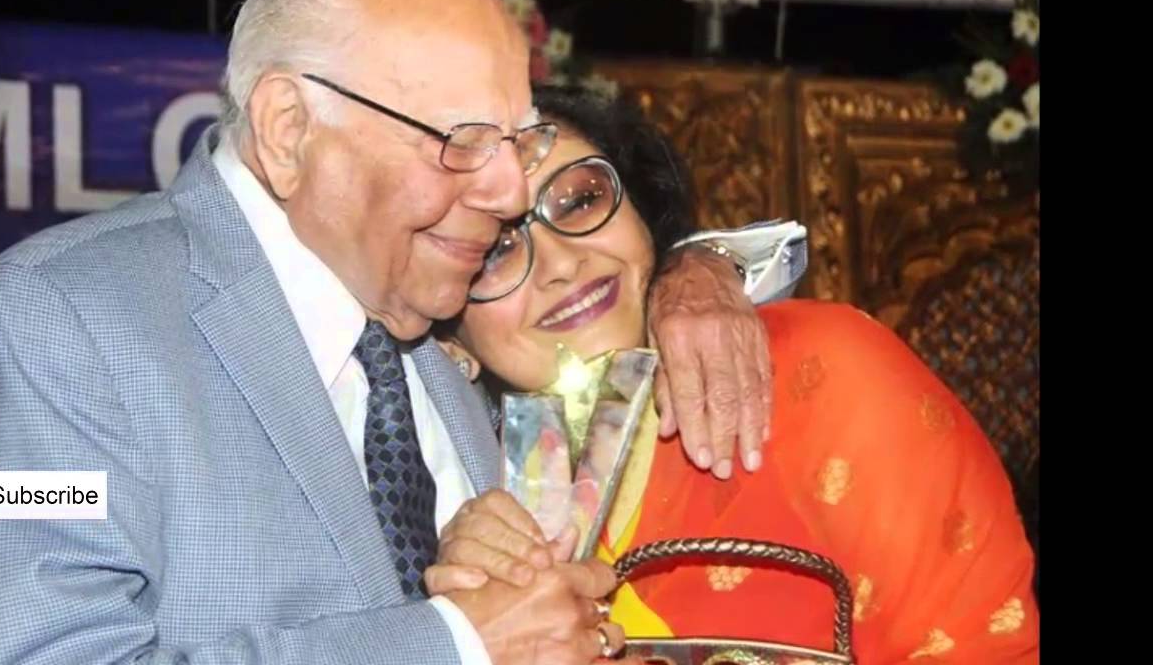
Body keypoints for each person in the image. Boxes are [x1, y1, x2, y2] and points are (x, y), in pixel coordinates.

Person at [0, 0, 790, 664]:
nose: (509, 193)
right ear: (289, 128)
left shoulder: (436, 310)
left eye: (516, 143)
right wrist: (461, 644)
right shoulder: (50, 319)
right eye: (462, 141)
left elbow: (611, 312)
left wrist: (696, 265)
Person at [429, 86, 1040, 663]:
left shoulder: (817, 375)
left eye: (581, 200)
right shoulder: (456, 500)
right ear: (448, 332)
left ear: (641, 212)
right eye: (498, 249)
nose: (562, 262)